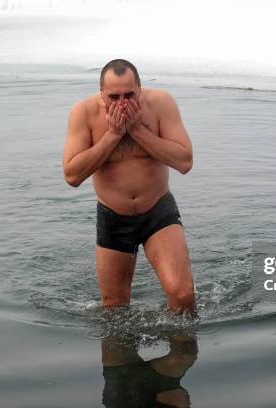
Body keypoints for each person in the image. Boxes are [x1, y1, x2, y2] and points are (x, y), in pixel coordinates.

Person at [62, 59, 196, 315]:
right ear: (101, 93)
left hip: (157, 211)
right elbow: (72, 175)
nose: (122, 103)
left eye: (129, 95)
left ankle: (180, 351)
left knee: (183, 296)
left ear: (140, 89)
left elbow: (185, 161)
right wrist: (113, 134)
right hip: (114, 216)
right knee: (114, 310)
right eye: (113, 96)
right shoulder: (84, 112)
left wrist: (137, 131)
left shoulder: (161, 104)